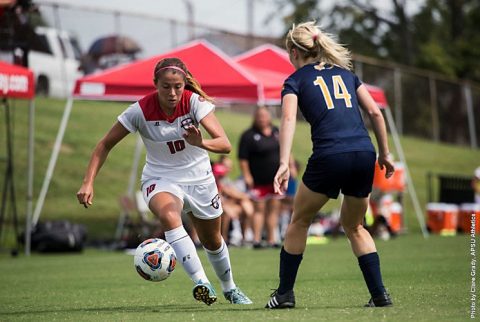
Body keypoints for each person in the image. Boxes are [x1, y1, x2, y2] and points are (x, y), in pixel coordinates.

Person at [76, 57, 252, 306]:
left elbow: (224, 144)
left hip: (200, 179)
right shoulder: (140, 110)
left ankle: (230, 288)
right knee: (170, 216)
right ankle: (202, 283)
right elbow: (105, 144)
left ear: (184, 84)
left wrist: (200, 142)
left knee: (213, 241)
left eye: (178, 86)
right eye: (166, 87)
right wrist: (88, 182)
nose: (172, 93)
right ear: (155, 84)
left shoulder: (194, 103)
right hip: (161, 179)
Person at [265, 22, 395, 309]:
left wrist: (284, 162)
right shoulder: (347, 74)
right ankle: (379, 295)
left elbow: (287, 120)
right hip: (363, 152)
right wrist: (385, 154)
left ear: (293, 51)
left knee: (299, 220)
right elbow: (374, 111)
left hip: (330, 155)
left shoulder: (295, 80)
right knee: (355, 226)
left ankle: (284, 294)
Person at [238, 107, 283, 248]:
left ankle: (272, 239)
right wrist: (247, 175)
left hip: (275, 179)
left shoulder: (276, 132)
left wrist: (290, 165)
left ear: (269, 117)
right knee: (259, 209)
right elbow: (243, 158)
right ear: (255, 118)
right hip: (258, 179)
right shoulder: (248, 135)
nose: (262, 118)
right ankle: (257, 240)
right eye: (260, 116)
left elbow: (285, 149)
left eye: (265, 116)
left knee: (274, 210)